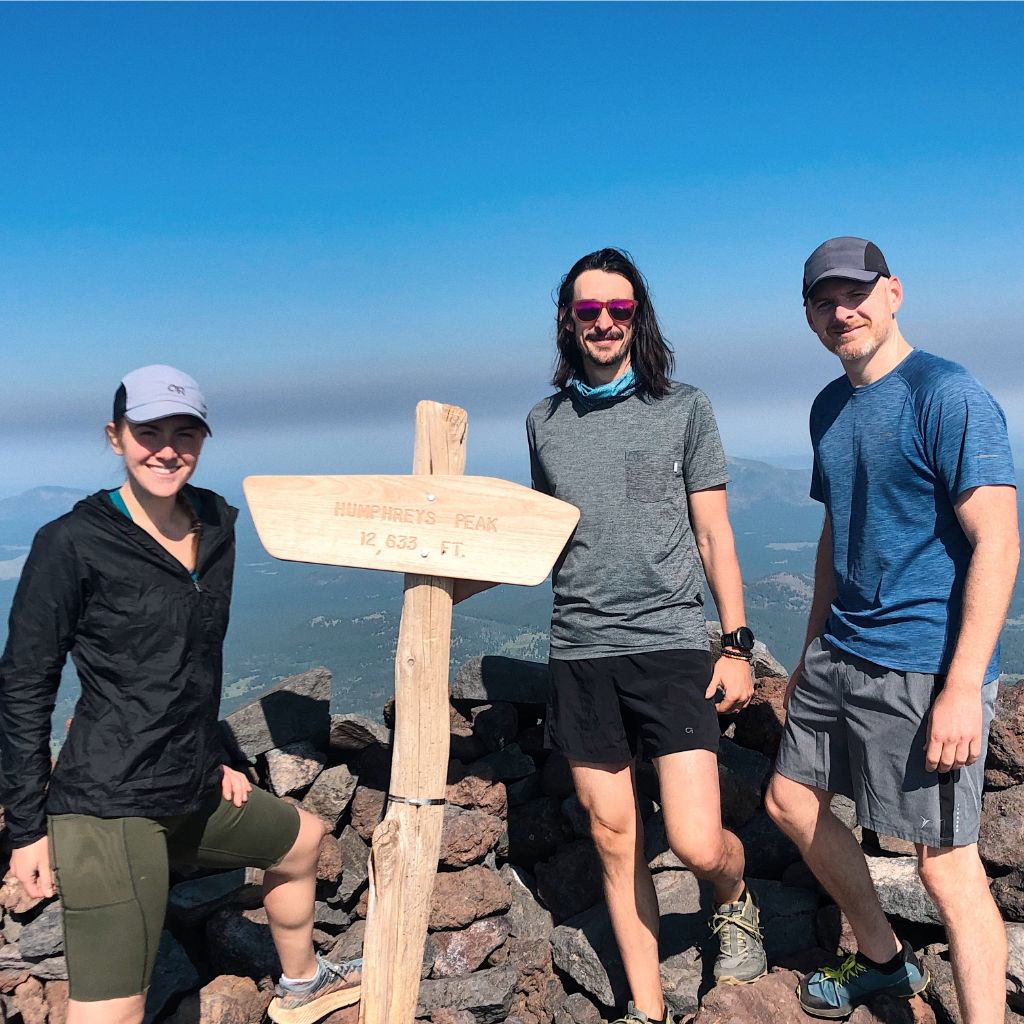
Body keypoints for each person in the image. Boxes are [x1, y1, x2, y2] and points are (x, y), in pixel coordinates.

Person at [0, 365, 360, 1024]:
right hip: (107, 803)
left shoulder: (216, 525)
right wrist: (26, 829)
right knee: (114, 1009)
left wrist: (204, 756)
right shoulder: (71, 545)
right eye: (149, 431)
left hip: (186, 786)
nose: (168, 447)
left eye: (185, 431)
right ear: (116, 436)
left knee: (302, 841)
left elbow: (186, 666)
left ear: (203, 437)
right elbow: (24, 685)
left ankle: (303, 986)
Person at [765, 237, 1018, 1023]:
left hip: (921, 665)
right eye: (823, 300)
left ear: (894, 292)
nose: (842, 310)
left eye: (856, 292)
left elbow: (1000, 540)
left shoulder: (947, 393)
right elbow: (837, 534)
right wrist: (809, 648)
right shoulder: (828, 408)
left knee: (947, 870)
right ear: (808, 317)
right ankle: (881, 959)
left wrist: (961, 688)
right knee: (788, 801)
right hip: (841, 650)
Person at [526, 248, 767, 1024]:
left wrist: (735, 645)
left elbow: (715, 536)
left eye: (619, 310)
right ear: (568, 318)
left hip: (669, 644)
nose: (603, 323)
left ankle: (732, 897)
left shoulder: (684, 407)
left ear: (639, 318)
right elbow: (542, 536)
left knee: (698, 842)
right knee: (611, 835)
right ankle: (646, 1005)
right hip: (580, 651)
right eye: (589, 310)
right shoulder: (545, 421)